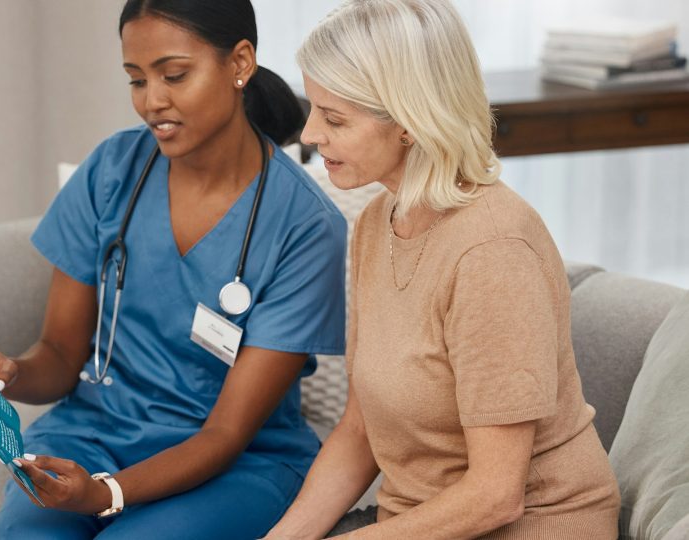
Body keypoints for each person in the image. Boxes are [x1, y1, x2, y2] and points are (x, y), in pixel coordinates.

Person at [0, 1, 348, 538]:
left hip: (237, 463)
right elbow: (62, 357)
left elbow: (224, 434)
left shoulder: (304, 225)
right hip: (94, 434)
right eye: (137, 80)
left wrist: (106, 492)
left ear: (239, 63)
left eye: (174, 75)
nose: (152, 101)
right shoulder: (113, 170)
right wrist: (8, 373)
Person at [266, 1, 621, 538]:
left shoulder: (492, 251)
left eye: (334, 117)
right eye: (313, 109)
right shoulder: (374, 223)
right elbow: (359, 432)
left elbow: (495, 498)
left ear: (409, 123)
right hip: (418, 521)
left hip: (530, 525)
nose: (310, 134)